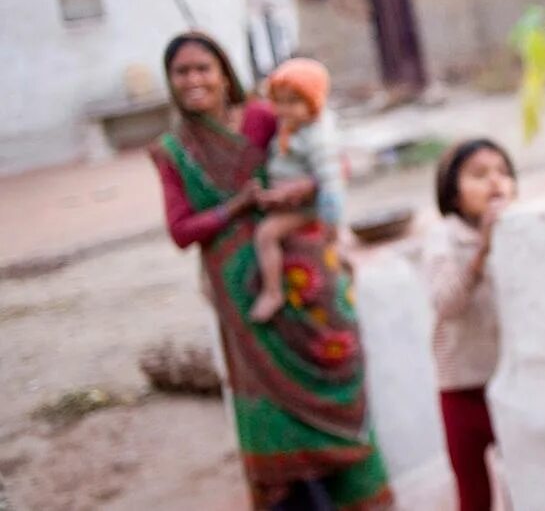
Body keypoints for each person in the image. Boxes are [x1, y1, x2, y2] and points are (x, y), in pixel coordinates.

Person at [150, 31, 393, 510]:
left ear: (224, 73)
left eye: (204, 68)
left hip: (306, 278)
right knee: (272, 417)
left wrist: (308, 196)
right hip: (245, 305)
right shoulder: (173, 150)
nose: (194, 79)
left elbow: (325, 158)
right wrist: (235, 209)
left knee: (336, 378)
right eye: (182, 72)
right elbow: (180, 230)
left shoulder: (264, 117)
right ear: (171, 82)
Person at [422, 139, 516, 511]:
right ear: (453, 194)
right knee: (473, 492)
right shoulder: (444, 236)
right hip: (462, 387)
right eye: (479, 175)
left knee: (522, 481)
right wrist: (482, 252)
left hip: (507, 379)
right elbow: (446, 302)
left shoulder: (516, 230)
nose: (495, 181)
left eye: (503, 172)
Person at [251, 58, 346, 324]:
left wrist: (331, 223)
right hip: (289, 199)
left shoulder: (318, 138)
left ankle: (272, 292)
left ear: (313, 102)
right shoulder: (295, 125)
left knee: (266, 234)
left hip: (308, 207)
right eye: (278, 101)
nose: (283, 110)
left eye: (292, 102)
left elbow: (331, 183)